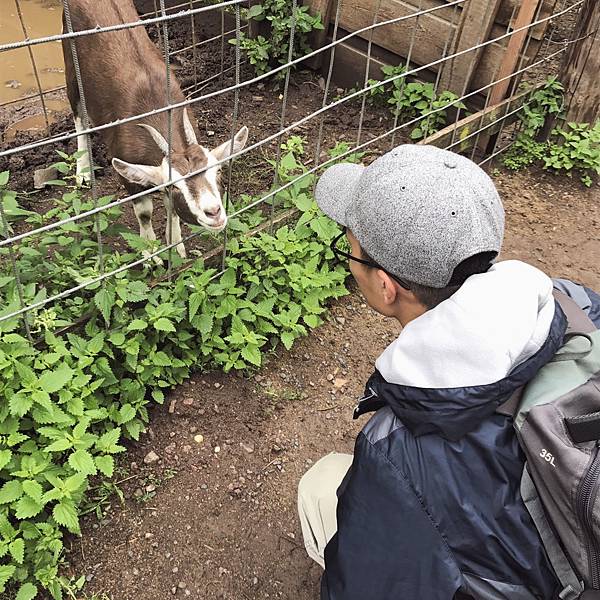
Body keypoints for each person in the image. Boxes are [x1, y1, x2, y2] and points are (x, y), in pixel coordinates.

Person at [297, 144, 600, 600]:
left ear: (385, 286)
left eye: (351, 248)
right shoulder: (573, 303)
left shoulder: (397, 450)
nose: (349, 257)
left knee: (321, 485)